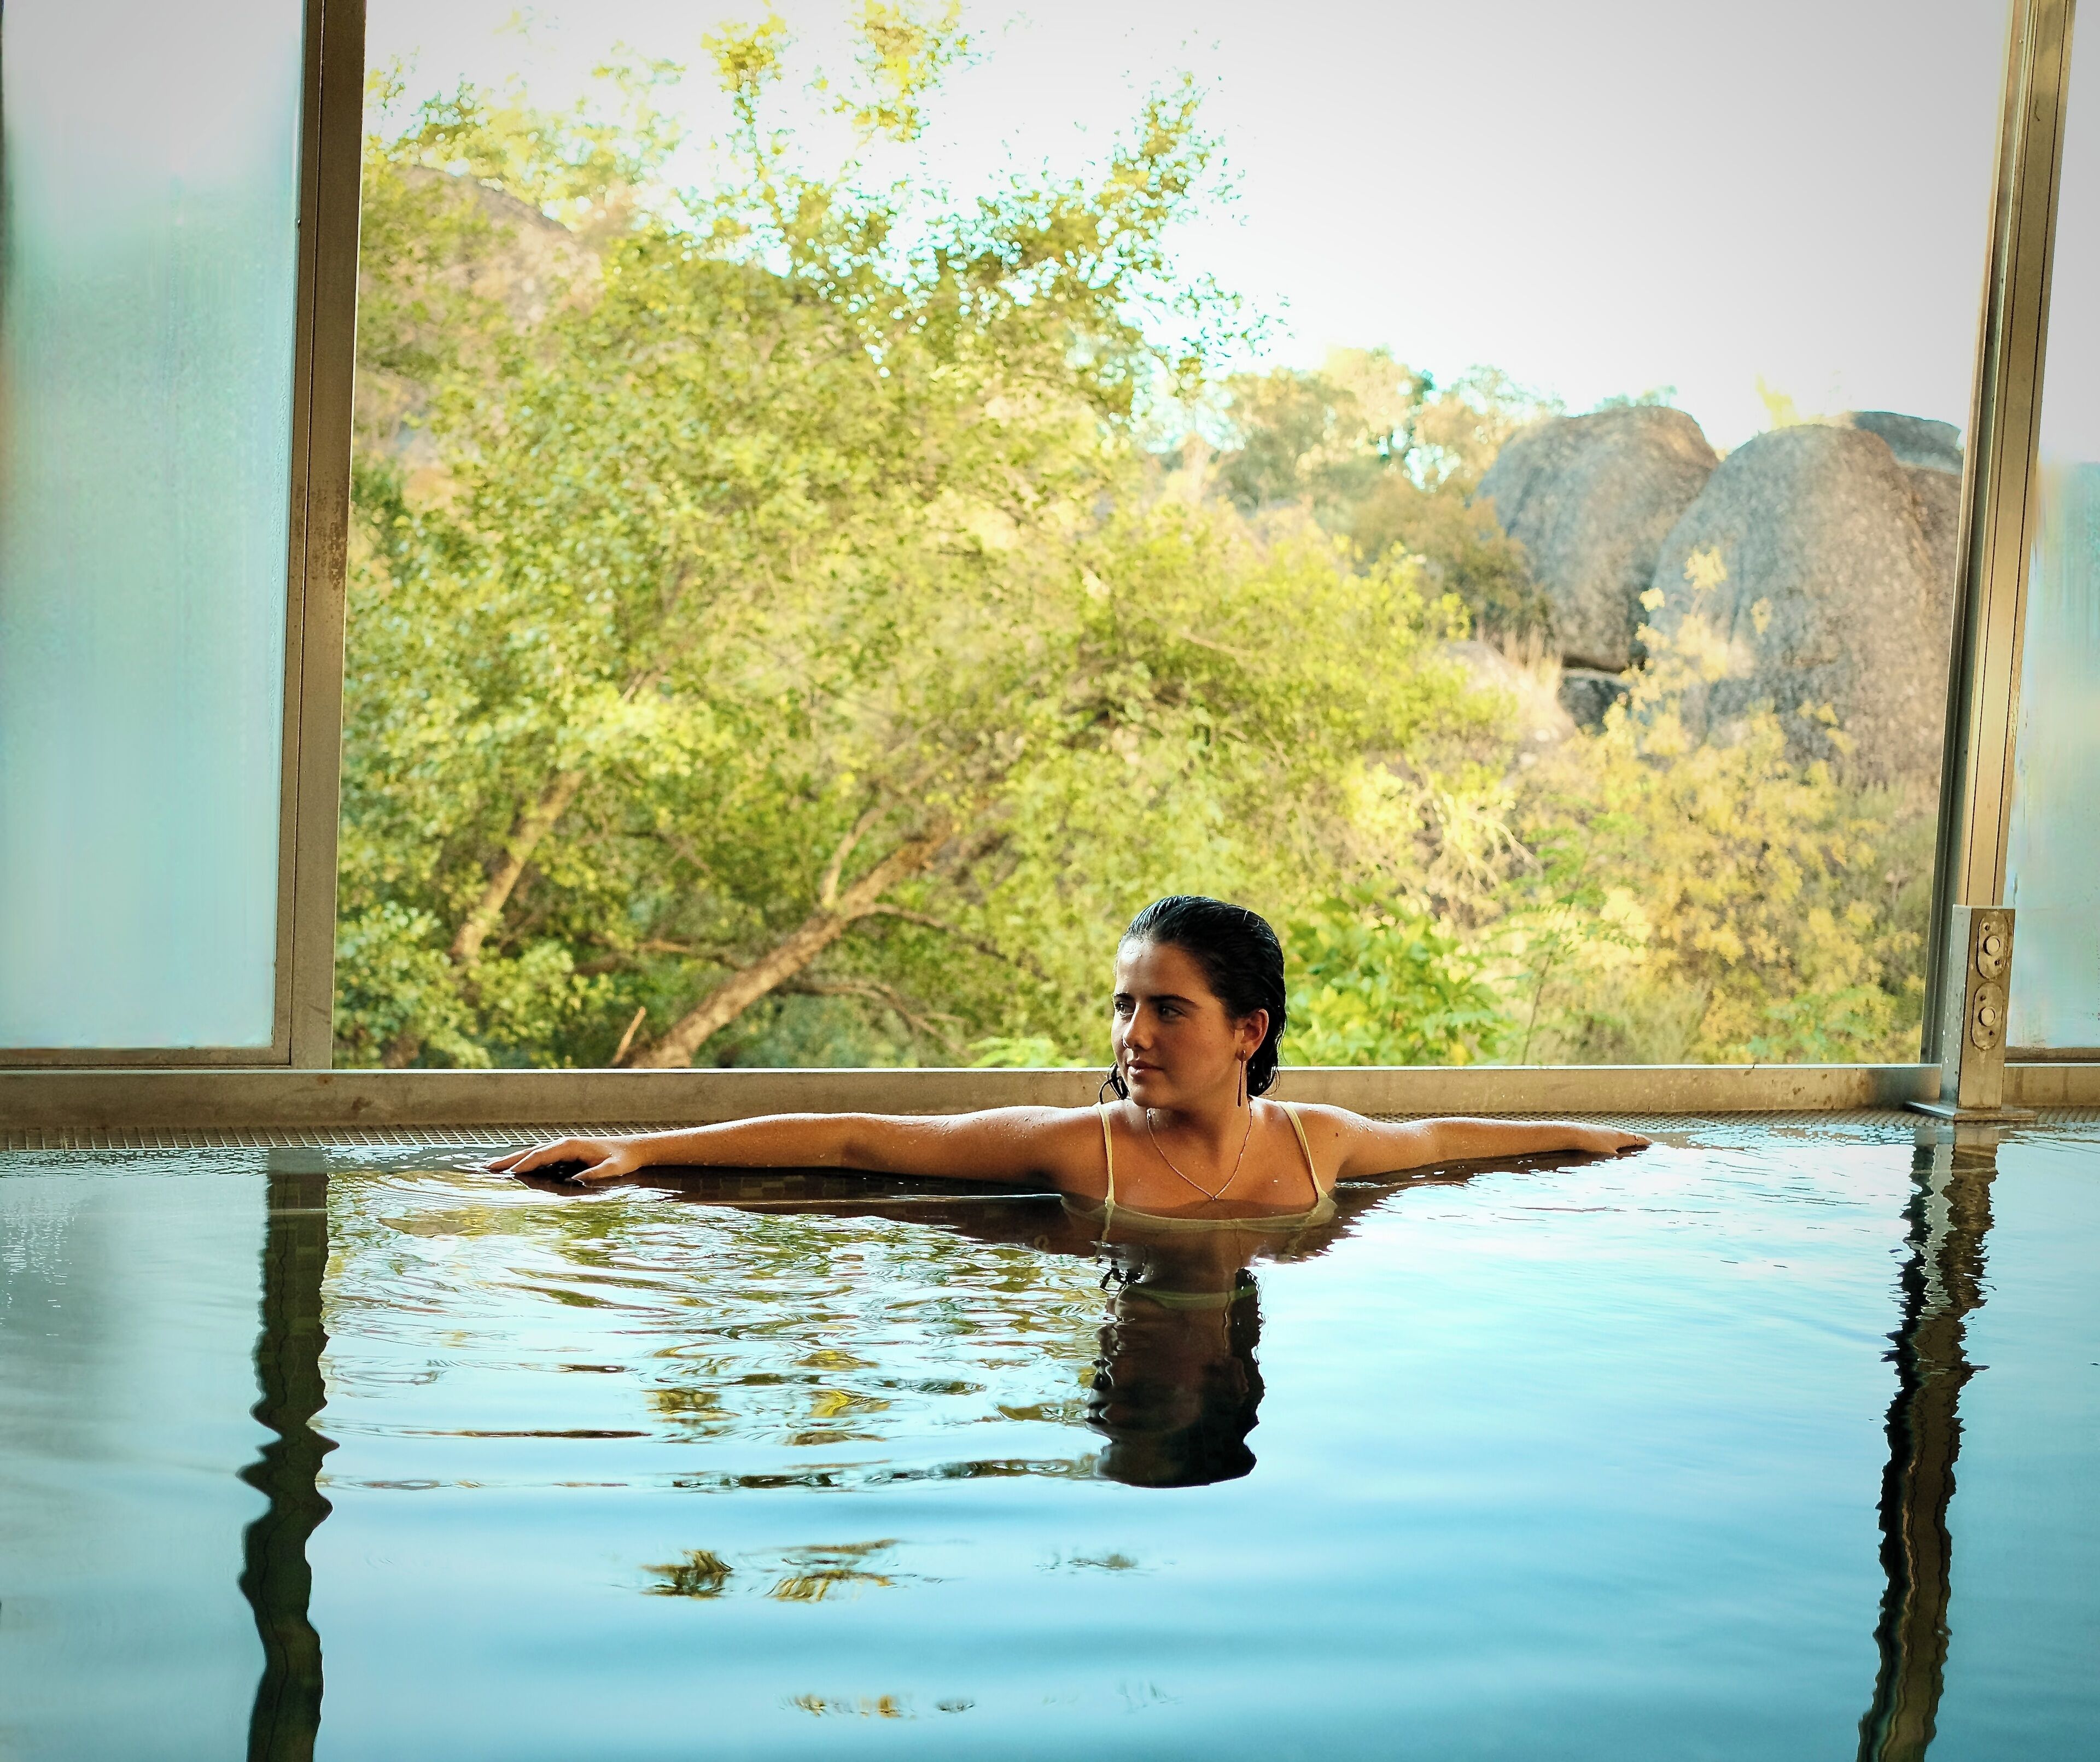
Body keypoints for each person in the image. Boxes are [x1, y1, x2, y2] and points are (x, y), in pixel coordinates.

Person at [489, 895, 1648, 1206]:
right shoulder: (1077, 1151)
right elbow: (859, 1139)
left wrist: (1588, 1138)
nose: (1132, 1033)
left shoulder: (1316, 1150)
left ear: (1249, 1031)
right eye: (1121, 1004)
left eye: (1167, 1009)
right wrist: (646, 1148)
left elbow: (1447, 1140)